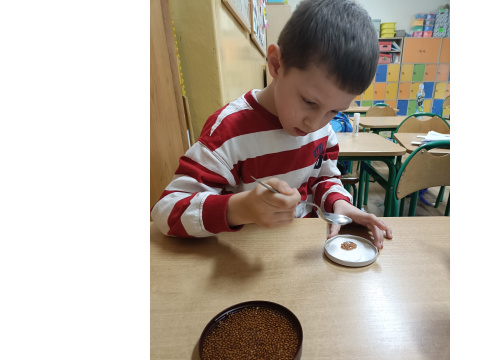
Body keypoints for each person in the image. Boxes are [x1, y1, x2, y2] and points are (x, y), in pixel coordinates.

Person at [151, 0, 393, 249]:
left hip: (301, 250)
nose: (315, 123)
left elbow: (323, 179)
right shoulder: (229, 132)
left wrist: (340, 205)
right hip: (245, 258)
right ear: (276, 64)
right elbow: (166, 212)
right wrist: (239, 209)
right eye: (309, 102)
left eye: (334, 111)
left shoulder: (324, 132)